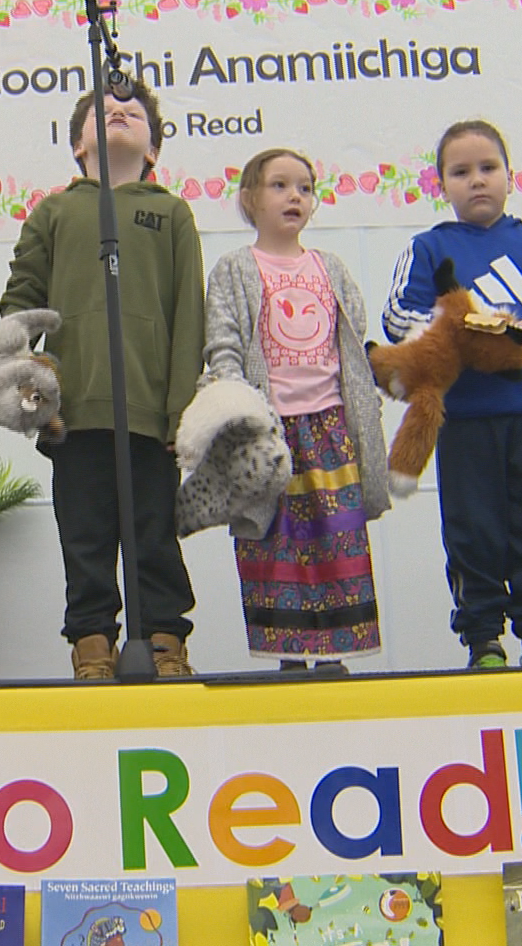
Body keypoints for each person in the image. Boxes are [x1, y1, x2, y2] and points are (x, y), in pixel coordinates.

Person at [0, 82, 206, 679]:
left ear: (153, 148)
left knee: (155, 537)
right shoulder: (54, 212)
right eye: (102, 111)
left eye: (133, 112)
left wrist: (180, 413)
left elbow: (187, 315)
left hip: (151, 413)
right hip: (75, 412)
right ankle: (91, 646)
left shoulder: (170, 212)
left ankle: (166, 643)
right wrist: (14, 372)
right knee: (84, 540)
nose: (117, 113)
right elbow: (22, 298)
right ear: (76, 144)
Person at [382, 119, 522, 669]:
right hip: (464, 420)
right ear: (442, 184)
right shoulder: (429, 248)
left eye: (487, 168)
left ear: (510, 176)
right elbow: (397, 318)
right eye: (461, 172)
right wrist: (465, 329)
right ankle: (483, 639)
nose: (476, 181)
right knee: (472, 528)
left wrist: (521, 329)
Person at [202, 148, 391, 667]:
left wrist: (364, 414)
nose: (295, 196)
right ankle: (288, 657)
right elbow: (223, 346)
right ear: (249, 200)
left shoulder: (330, 269)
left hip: (330, 428)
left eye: (304, 187)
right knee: (275, 541)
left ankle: (334, 656)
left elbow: (353, 344)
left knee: (336, 540)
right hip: (270, 432)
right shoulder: (235, 269)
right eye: (279, 185)